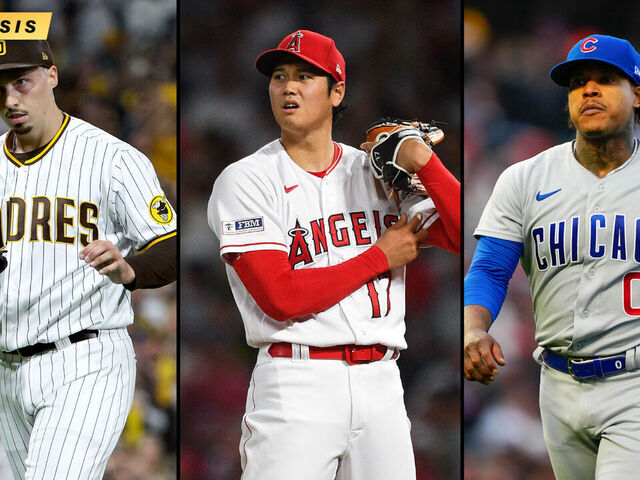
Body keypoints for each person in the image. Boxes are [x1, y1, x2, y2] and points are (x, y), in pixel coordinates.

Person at [208, 29, 460, 479]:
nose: (288, 87)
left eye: (305, 76)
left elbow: (466, 237)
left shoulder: (377, 173)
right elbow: (281, 298)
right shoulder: (246, 179)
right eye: (279, 77)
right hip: (296, 379)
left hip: (382, 382)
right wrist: (379, 257)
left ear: (336, 90)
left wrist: (425, 163)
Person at [464, 34, 640, 479]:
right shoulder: (524, 178)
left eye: (606, 79)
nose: (589, 90)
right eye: (578, 82)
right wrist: (471, 329)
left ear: (638, 93)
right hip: (557, 385)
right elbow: (488, 268)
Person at [0, 40, 177, 480]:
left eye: (22, 82)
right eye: (0, 87)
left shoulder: (112, 158)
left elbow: (169, 243)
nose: (10, 99)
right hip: (6, 369)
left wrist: (132, 270)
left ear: (52, 76)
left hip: (84, 359)